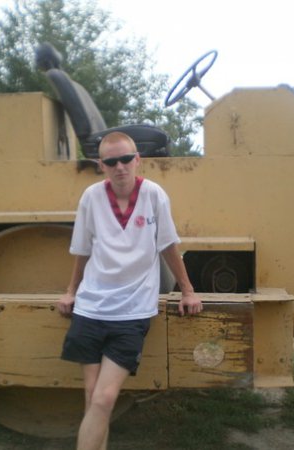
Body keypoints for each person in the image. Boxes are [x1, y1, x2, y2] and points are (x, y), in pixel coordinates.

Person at [58, 131, 202, 450]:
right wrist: (71, 291)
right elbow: (82, 250)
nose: (119, 167)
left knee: (104, 397)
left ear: (137, 160)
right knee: (93, 396)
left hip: (132, 311)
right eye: (111, 162)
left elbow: (168, 246)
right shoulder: (91, 197)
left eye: (125, 159)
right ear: (101, 165)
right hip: (91, 308)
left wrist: (188, 290)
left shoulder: (153, 195)